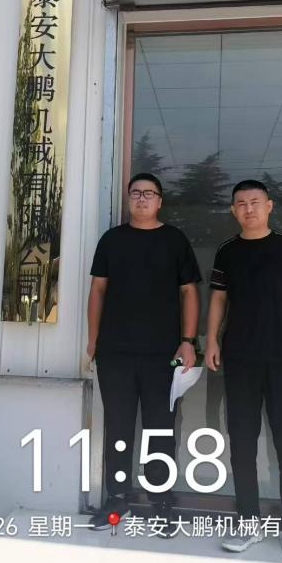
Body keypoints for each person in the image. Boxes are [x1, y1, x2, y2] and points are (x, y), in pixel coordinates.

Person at [204, 179, 282, 556]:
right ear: (233, 210)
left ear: (269, 206)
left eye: (255, 202)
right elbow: (218, 300)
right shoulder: (227, 252)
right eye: (241, 203)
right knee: (241, 442)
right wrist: (211, 340)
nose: (248, 208)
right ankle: (248, 522)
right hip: (240, 359)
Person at [86, 172, 201, 536]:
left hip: (162, 355)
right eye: (135, 193)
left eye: (149, 193)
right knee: (118, 426)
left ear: (160, 201)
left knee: (161, 429)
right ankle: (117, 498)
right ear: (128, 199)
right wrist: (93, 340)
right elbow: (98, 290)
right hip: (115, 353)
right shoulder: (112, 240)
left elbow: (189, 292)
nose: (141, 198)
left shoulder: (175, 240)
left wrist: (188, 340)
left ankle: (161, 500)